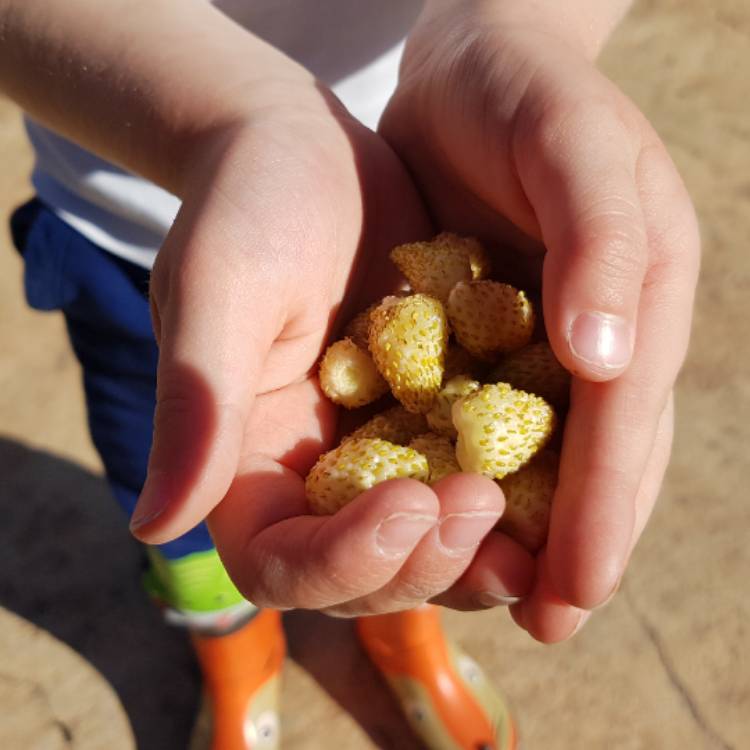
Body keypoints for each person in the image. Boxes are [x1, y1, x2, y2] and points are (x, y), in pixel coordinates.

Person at [0, 0, 700, 748]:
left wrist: (519, 28)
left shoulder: (438, 368)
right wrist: (229, 118)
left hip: (418, 158)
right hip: (117, 214)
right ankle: (231, 649)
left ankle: (406, 635)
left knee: (418, 528)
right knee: (168, 484)